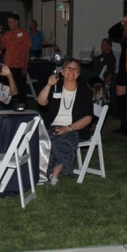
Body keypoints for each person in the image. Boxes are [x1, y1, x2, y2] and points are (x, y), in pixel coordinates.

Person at [37, 58, 93, 186]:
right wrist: (48, 85)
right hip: (52, 126)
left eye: (75, 69)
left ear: (78, 74)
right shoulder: (55, 86)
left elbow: (88, 118)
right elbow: (41, 101)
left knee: (62, 138)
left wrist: (68, 128)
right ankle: (49, 173)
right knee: (48, 138)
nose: (72, 71)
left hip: (75, 128)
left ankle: (53, 175)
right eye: (69, 68)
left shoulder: (84, 91)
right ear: (62, 71)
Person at [1, 14, 31, 102]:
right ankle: (7, 106)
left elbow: (27, 51)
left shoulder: (24, 34)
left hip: (19, 66)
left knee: (20, 88)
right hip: (8, 66)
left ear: (16, 22)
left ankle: (22, 106)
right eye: (8, 22)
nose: (9, 24)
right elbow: (0, 48)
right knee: (7, 88)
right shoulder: (7, 34)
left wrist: (25, 66)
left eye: (11, 22)